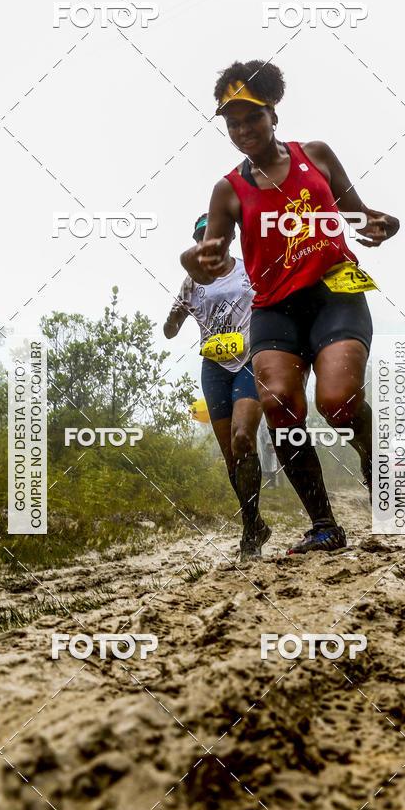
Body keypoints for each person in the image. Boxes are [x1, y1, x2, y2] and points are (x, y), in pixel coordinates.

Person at [180, 60, 400, 554]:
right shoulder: (228, 190)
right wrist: (196, 259)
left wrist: (384, 225)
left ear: (272, 112)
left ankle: (373, 459)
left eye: (250, 118)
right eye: (232, 123)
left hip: (334, 294)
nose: (242, 130)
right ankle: (324, 524)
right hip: (275, 308)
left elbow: (363, 215)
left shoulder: (316, 156)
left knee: (337, 401)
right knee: (279, 403)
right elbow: (206, 259)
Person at [164, 213, 270, 560]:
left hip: (249, 361)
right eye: (200, 237)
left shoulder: (248, 269)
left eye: (214, 235)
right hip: (213, 367)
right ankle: (254, 524)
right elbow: (171, 327)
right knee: (230, 459)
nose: (206, 242)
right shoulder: (191, 283)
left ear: (228, 238)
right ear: (196, 244)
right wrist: (173, 319)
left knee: (243, 437)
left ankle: (249, 537)